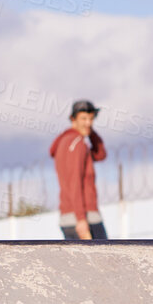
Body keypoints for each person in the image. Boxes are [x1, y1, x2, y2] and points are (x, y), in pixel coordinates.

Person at [50, 100, 108, 240]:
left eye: (91, 119)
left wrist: (89, 131)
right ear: (73, 119)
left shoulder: (67, 141)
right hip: (85, 218)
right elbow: (74, 182)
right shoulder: (77, 144)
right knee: (106, 261)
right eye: (83, 118)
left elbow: (100, 155)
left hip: (70, 218)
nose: (88, 123)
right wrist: (81, 220)